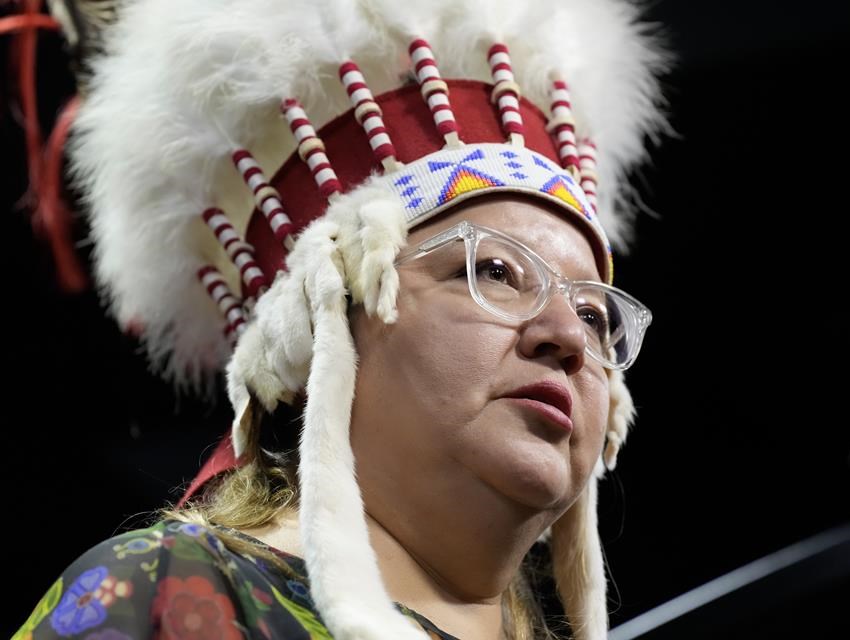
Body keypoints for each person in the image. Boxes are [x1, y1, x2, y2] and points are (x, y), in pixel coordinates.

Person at [15, 0, 668, 638]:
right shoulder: (174, 596)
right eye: (494, 272)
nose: (568, 338)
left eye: (592, 312)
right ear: (323, 325)